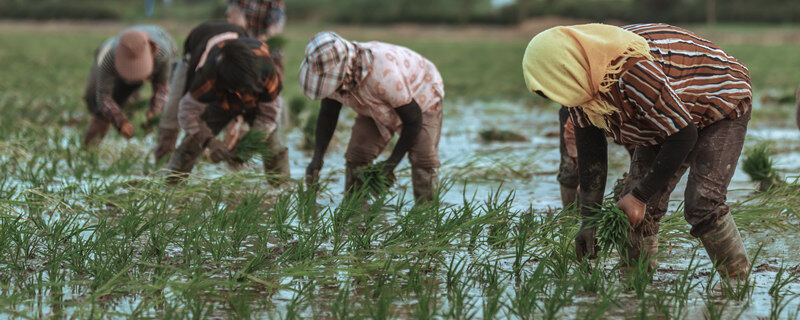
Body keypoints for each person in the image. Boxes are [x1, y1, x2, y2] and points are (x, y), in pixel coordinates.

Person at [523, 23, 753, 282]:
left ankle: (737, 285)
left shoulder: (628, 70)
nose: (562, 98)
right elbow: (592, 157)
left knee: (702, 202)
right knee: (630, 206)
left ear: (567, 69)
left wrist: (641, 197)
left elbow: (684, 134)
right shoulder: (581, 88)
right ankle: (637, 287)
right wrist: (589, 220)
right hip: (668, 116)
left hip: (719, 102)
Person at [300, 31, 444, 202]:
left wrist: (391, 163)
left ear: (344, 69)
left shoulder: (385, 75)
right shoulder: (337, 79)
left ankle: (426, 213)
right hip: (372, 104)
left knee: (423, 158)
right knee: (357, 155)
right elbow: (328, 114)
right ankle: (355, 209)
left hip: (421, 94)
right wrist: (317, 158)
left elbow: (413, 120)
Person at [165, 30, 288, 185]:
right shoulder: (209, 74)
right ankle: (171, 187)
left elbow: (270, 115)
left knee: (272, 147)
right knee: (191, 144)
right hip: (221, 103)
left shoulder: (266, 69)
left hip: (257, 103)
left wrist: (250, 142)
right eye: (236, 90)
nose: (240, 95)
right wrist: (209, 141)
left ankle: (281, 189)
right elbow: (188, 113)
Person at [154, 21, 250, 162]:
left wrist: (237, 122)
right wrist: (209, 142)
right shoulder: (200, 72)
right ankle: (163, 156)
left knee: (240, 116)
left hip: (234, 53)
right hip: (194, 53)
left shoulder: (246, 69)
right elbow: (188, 109)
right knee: (174, 108)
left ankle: (236, 158)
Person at [83, 25, 177, 146]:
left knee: (172, 109)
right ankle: (89, 149)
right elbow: (103, 98)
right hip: (117, 71)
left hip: (164, 58)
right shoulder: (109, 58)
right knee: (98, 110)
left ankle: (167, 155)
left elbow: (162, 88)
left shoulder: (163, 54)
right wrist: (120, 121)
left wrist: (154, 112)